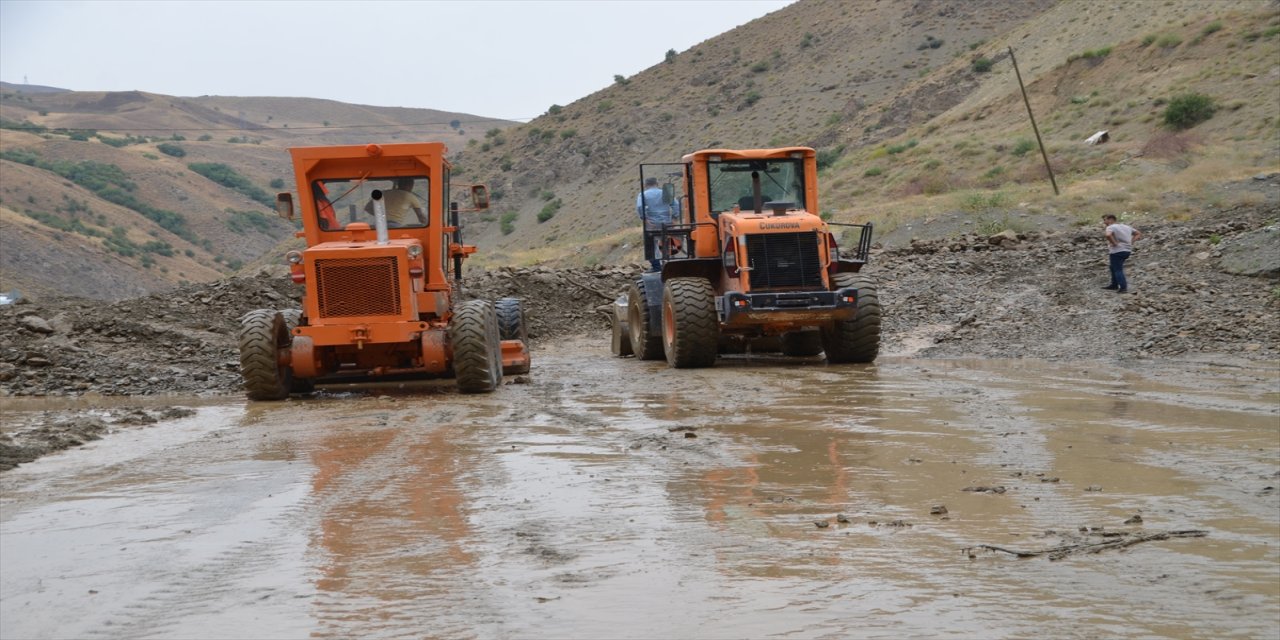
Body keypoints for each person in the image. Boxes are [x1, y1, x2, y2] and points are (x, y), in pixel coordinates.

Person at [636, 177, 676, 271]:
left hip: (652, 223)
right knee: (668, 242)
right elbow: (675, 204)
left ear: (645, 185)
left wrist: (645, 218)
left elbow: (639, 206)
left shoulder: (643, 194)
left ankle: (656, 267)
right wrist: (674, 218)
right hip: (666, 222)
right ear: (657, 183)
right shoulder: (665, 192)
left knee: (651, 244)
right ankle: (671, 264)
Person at [1102, 214, 1142, 293]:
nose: (1104, 222)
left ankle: (1123, 288)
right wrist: (1131, 242)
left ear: (1111, 219)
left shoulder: (1110, 227)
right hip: (1127, 250)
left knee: (1118, 269)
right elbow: (1138, 233)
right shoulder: (1126, 227)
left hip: (1117, 250)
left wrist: (1114, 243)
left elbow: (1108, 235)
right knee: (1113, 267)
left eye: (1105, 220)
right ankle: (1114, 284)